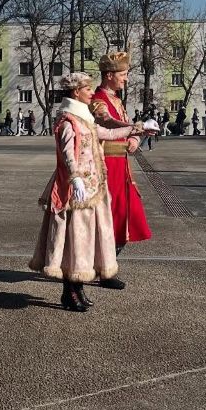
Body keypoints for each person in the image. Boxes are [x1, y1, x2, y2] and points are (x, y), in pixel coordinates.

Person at [29, 72, 148, 312]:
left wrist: (139, 128)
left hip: (92, 188)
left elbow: (109, 133)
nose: (92, 93)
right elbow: (67, 154)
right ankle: (69, 291)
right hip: (76, 191)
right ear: (76, 92)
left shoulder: (84, 119)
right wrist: (75, 179)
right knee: (73, 241)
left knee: (85, 240)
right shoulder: (68, 121)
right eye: (87, 89)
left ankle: (78, 288)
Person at [90, 52, 152, 289]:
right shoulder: (97, 99)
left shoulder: (116, 99)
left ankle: (106, 266)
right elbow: (107, 122)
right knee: (109, 217)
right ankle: (103, 269)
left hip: (122, 166)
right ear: (109, 75)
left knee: (126, 215)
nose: (126, 79)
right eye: (123, 74)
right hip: (106, 167)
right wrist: (134, 128)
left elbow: (125, 130)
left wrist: (134, 138)